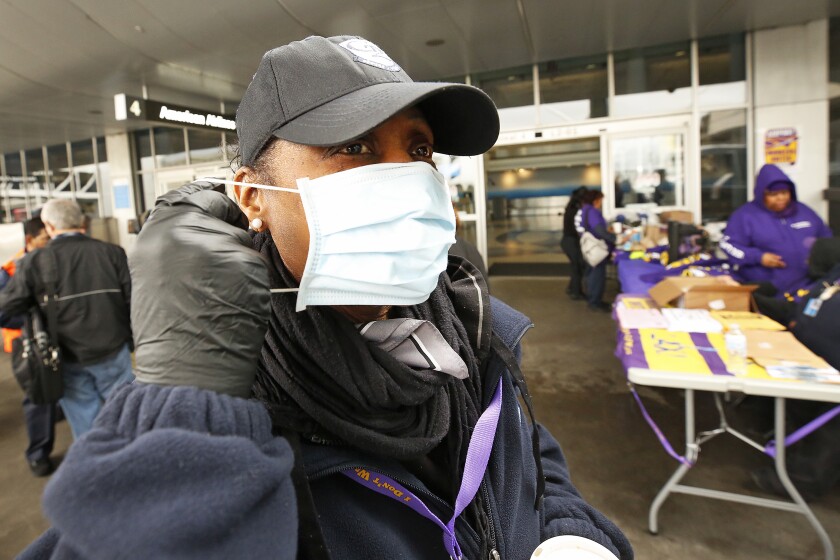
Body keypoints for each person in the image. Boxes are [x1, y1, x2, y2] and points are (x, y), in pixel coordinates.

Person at [24, 36, 632, 560]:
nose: (406, 179)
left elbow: (527, 459)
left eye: (418, 150)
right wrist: (189, 394)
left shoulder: (470, 329)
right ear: (251, 196)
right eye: (355, 147)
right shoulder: (226, 404)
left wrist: (570, 533)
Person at [0, 199, 134, 438]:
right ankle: (133, 452)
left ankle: (96, 457)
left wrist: (34, 311)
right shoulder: (112, 253)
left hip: (67, 357)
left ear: (49, 226)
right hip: (114, 351)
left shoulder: (34, 261)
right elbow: (133, 300)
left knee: (86, 422)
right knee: (126, 414)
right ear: (82, 221)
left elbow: (7, 307)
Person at [719, 164, 833, 297]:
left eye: (784, 193)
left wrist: (819, 258)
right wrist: (759, 257)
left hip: (808, 284)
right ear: (761, 194)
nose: (780, 198)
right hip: (769, 287)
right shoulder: (745, 215)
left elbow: (827, 240)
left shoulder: (804, 212)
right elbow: (728, 245)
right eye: (773, 194)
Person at [0, 217, 57, 477]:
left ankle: (58, 413)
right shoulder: (10, 270)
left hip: (56, 337)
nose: (49, 243)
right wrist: (34, 319)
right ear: (30, 240)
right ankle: (38, 454)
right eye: (45, 239)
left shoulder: (54, 261)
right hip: (27, 343)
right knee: (38, 396)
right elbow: (3, 314)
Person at [575, 190, 616, 312]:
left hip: (589, 248)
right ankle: (595, 302)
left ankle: (592, 299)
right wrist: (615, 238)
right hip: (596, 248)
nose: (601, 203)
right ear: (595, 200)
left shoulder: (584, 210)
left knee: (591, 273)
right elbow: (599, 230)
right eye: (601, 200)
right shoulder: (592, 211)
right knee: (597, 276)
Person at [560, 186, 588, 301]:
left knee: (576, 266)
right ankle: (576, 293)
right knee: (577, 267)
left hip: (568, 241)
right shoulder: (576, 209)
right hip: (571, 242)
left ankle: (572, 288)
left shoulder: (572, 206)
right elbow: (578, 228)